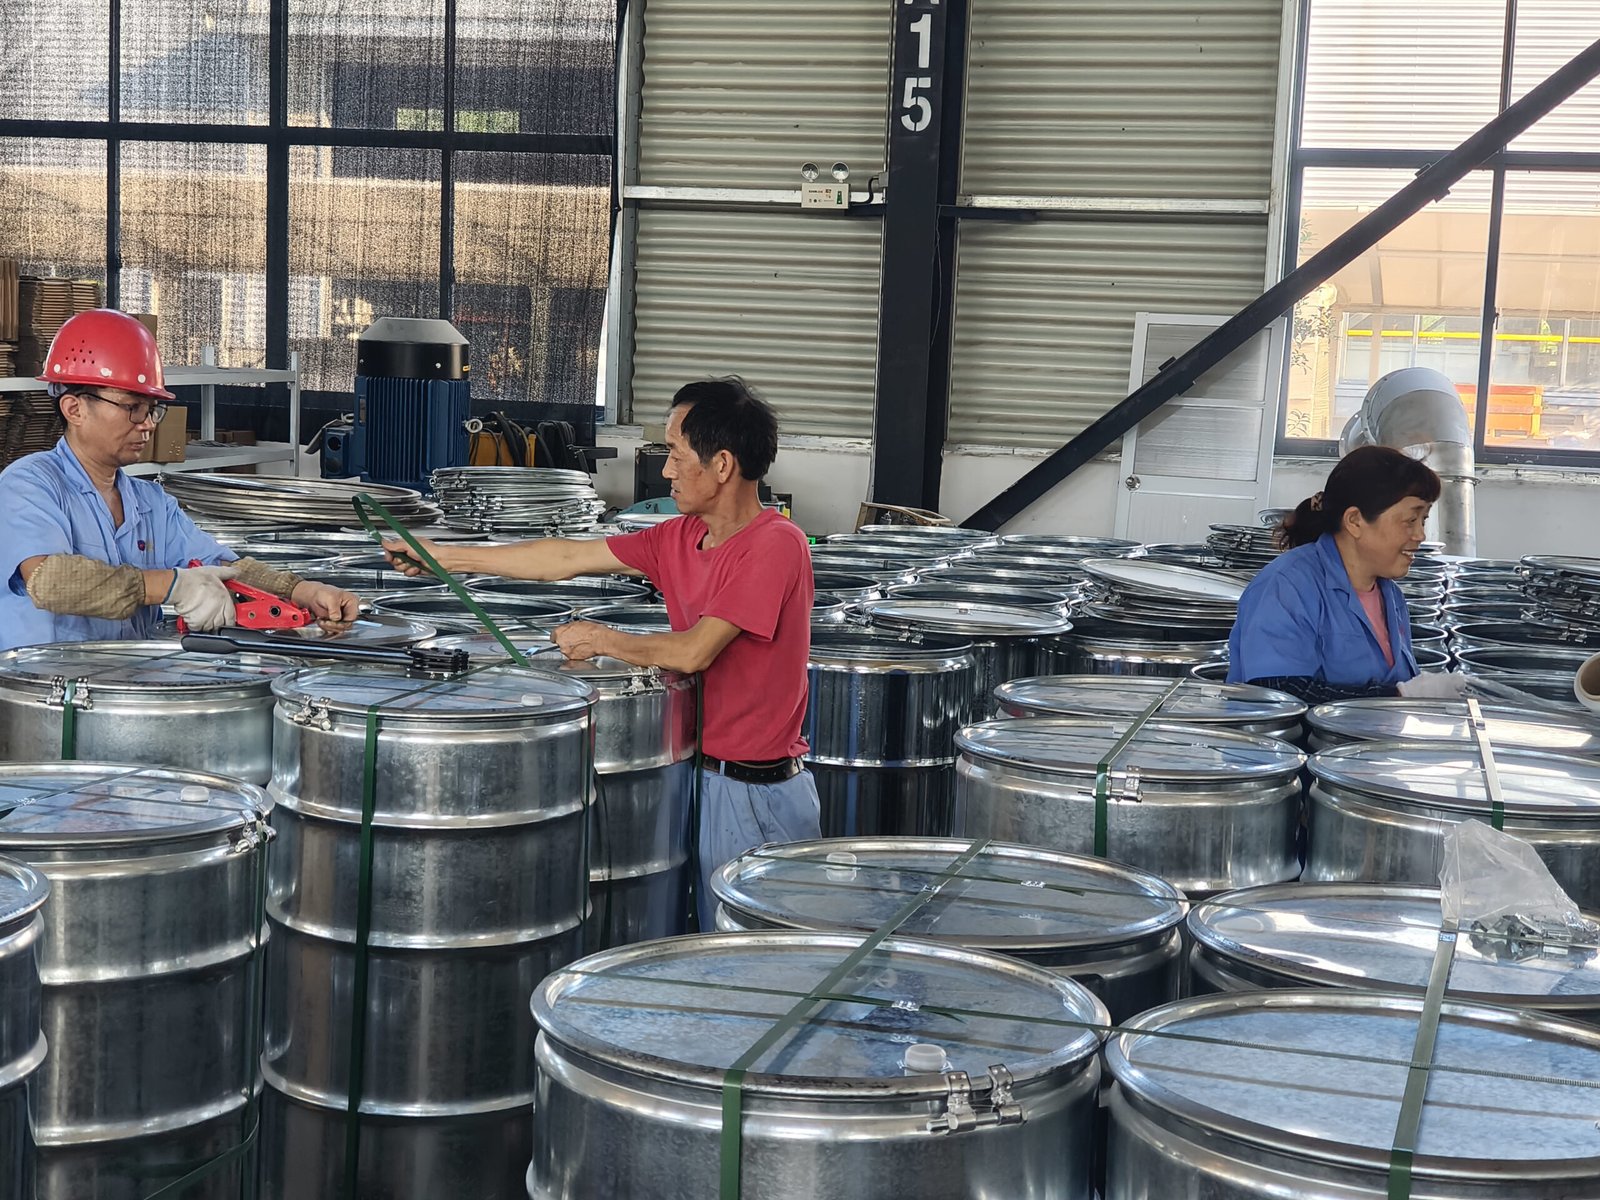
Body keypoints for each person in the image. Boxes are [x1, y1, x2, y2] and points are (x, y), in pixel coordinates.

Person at [384, 377, 819, 928]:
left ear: (724, 465)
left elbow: (694, 652)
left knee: (759, 965)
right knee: (710, 951)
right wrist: (441, 556)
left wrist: (603, 639)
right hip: (700, 778)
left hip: (759, 793)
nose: (665, 471)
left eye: (676, 455)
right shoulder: (680, 537)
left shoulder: (774, 544)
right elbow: (561, 557)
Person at [0, 309, 361, 652]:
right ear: (74, 408)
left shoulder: (150, 502)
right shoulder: (29, 485)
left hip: (127, 685)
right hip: (44, 694)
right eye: (133, 407)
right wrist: (173, 585)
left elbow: (221, 568)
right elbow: (50, 582)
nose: (148, 423)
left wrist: (301, 590)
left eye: (152, 409)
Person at [1228, 445, 1464, 704]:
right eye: (1410, 520)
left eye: (1424, 520)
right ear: (1354, 521)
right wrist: (1399, 696)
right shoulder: (1286, 586)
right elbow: (1276, 694)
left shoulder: (1391, 597)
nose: (1420, 535)